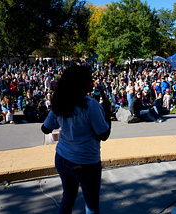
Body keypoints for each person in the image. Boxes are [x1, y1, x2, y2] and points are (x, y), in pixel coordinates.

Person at [41, 66, 111, 214]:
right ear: (80, 83)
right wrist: (107, 112)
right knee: (91, 205)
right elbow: (103, 135)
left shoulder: (61, 103)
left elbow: (46, 129)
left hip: (62, 158)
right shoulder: (91, 105)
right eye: (89, 79)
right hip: (86, 162)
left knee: (68, 198)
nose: (93, 83)